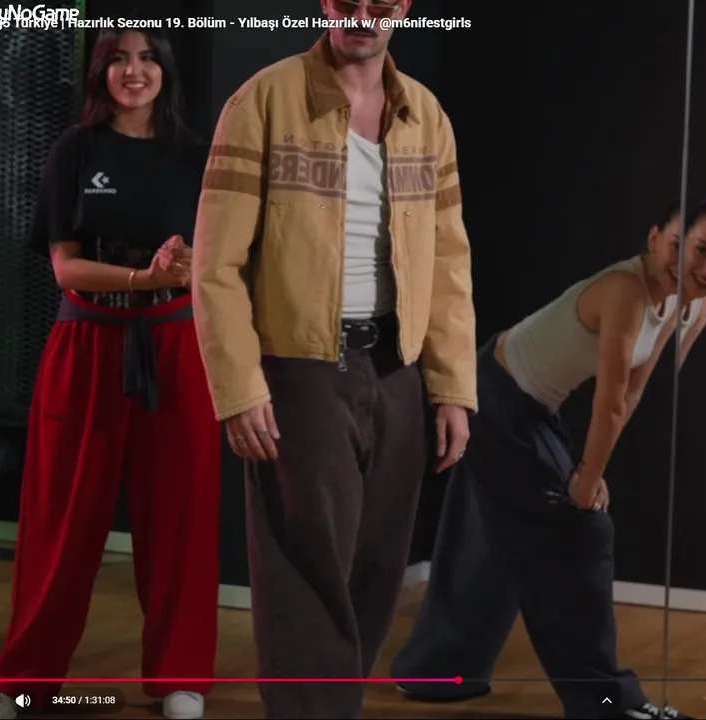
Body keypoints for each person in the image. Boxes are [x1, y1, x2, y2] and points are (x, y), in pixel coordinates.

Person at [189, 0, 475, 717]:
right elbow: (216, 264)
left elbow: (449, 263)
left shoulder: (426, 115)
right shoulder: (263, 100)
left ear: (402, 9)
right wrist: (240, 386)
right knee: (304, 571)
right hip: (301, 370)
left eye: (379, 5)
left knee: (376, 569)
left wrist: (452, 388)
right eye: (348, 2)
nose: (362, 17)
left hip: (397, 368)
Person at [391, 196, 706, 720]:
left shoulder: (696, 301)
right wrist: (586, 478)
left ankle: (437, 671)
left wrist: (590, 469)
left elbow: (635, 390)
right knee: (582, 533)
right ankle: (607, 703)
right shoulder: (625, 290)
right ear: (655, 239)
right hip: (495, 397)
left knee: (494, 539)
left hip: (528, 404)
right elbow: (609, 402)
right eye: (695, 249)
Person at [0, 28, 217, 720]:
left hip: (176, 345)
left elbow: (220, 258)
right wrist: (144, 276)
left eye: (147, 59)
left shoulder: (196, 156)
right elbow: (64, 267)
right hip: (87, 340)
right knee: (61, 518)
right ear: (99, 74)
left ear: (166, 71)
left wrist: (186, 268)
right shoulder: (74, 150)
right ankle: (22, 681)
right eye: (119, 60)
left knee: (181, 516)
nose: (134, 72)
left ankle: (180, 679)